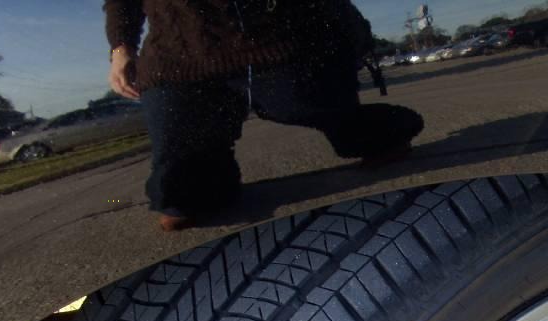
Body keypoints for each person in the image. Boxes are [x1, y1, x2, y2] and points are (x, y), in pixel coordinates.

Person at [105, 0, 423, 231]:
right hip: (179, 53)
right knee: (179, 193)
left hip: (275, 38)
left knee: (306, 103)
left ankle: (374, 130)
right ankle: (210, 172)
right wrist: (121, 48)